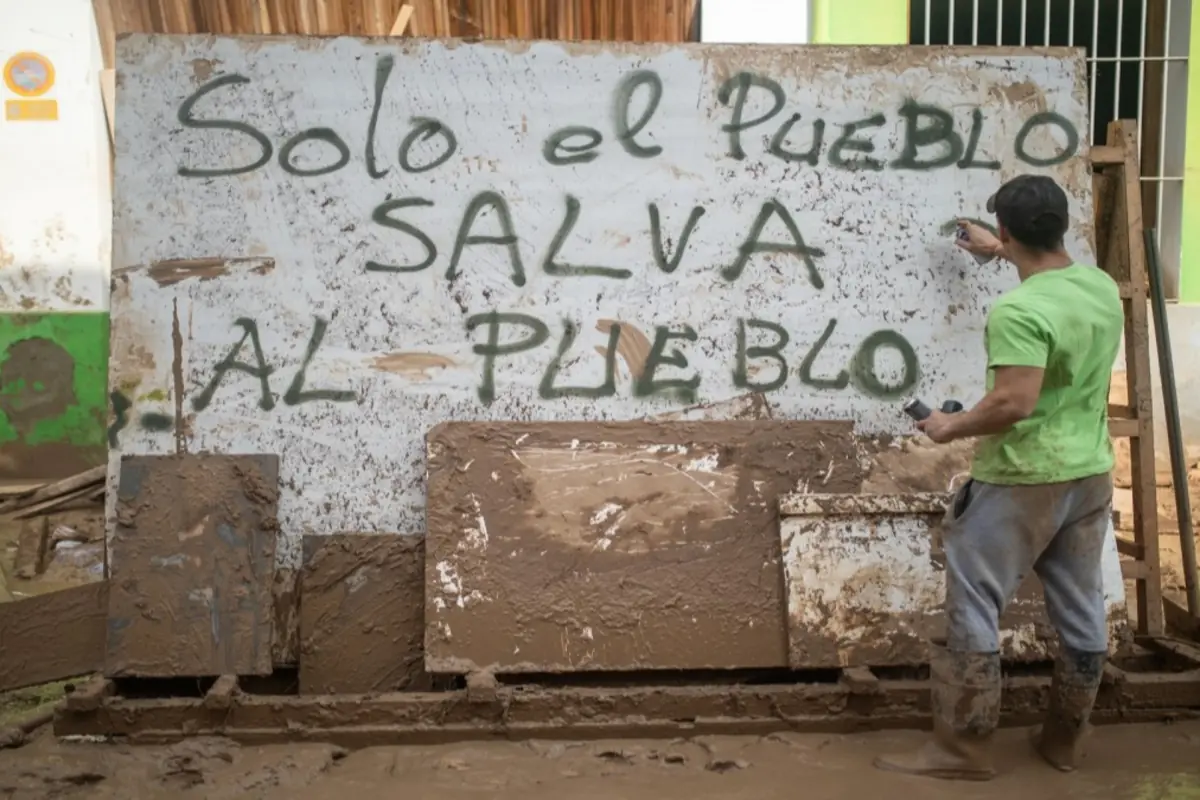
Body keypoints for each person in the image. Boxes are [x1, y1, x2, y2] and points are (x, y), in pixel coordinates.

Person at [872, 174, 1124, 781]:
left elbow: (1014, 402)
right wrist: (1001, 250)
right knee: (1081, 604)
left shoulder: (1020, 310)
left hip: (1023, 478)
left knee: (975, 602)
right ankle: (1065, 741)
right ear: (1060, 226)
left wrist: (946, 428)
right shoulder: (1098, 286)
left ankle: (962, 749)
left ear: (1007, 229)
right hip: (1088, 475)